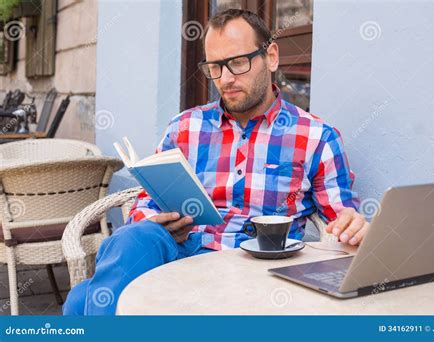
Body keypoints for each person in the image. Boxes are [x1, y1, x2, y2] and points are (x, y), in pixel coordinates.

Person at [63, 9, 369, 315]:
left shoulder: (316, 137)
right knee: (133, 236)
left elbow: (342, 219)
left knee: (80, 302)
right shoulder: (184, 128)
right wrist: (155, 220)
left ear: (271, 57)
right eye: (215, 67)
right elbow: (145, 203)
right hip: (183, 251)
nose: (226, 79)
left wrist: (353, 226)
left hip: (258, 267)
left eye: (238, 62)